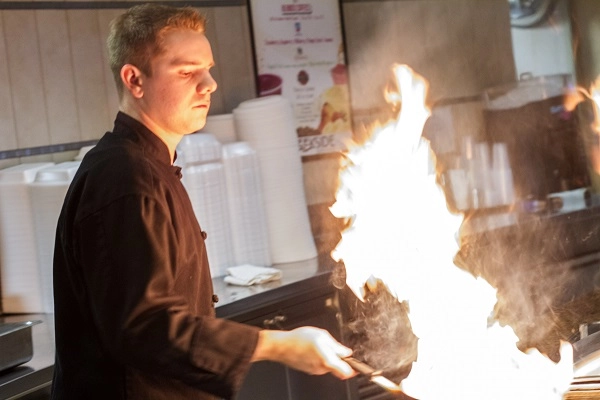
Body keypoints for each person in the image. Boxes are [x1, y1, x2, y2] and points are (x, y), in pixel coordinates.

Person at [51, 4, 354, 399]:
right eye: (187, 71)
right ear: (134, 80)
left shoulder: (150, 165)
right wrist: (280, 345)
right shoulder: (125, 179)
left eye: (208, 69)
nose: (209, 84)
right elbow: (148, 328)